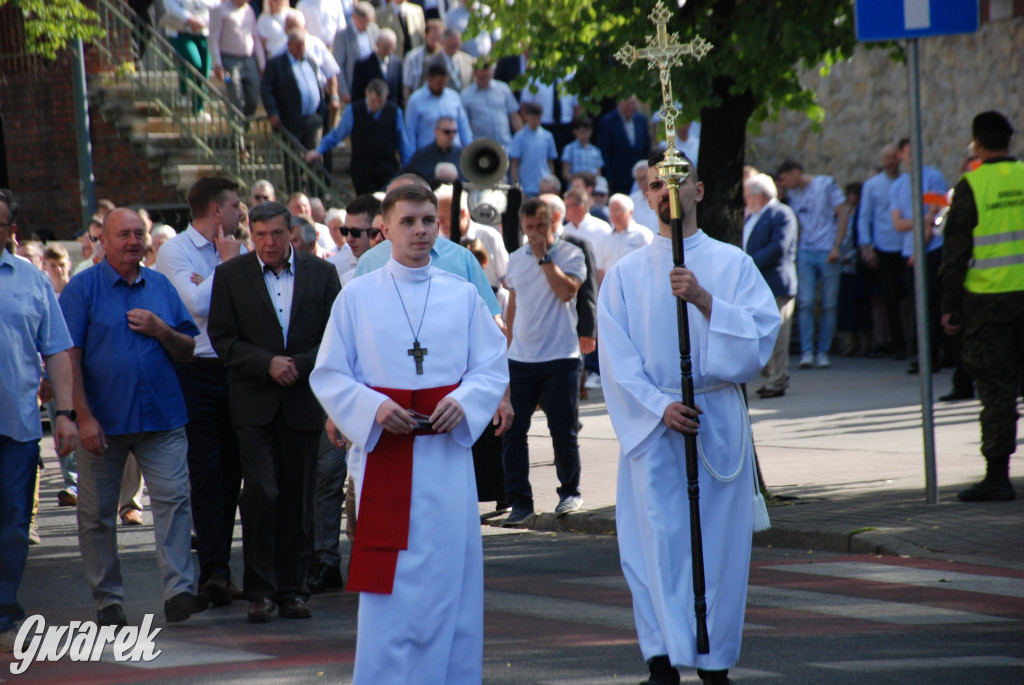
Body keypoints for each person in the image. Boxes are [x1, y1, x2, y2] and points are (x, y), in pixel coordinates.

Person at [309, 183, 508, 684]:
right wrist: (373, 408)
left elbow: (491, 367)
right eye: (408, 222)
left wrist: (462, 402)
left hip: (445, 463)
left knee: (448, 579)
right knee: (392, 587)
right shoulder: (357, 295)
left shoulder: (462, 294)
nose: (420, 231)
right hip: (384, 461)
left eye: (428, 222)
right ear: (385, 229)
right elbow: (329, 374)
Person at [598, 152, 779, 685]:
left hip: (715, 414)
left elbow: (759, 338)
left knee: (719, 544)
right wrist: (659, 407)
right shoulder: (626, 274)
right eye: (655, 185)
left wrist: (704, 300)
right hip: (655, 423)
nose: (664, 193)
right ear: (646, 194)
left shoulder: (731, 264)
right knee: (655, 540)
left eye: (675, 183)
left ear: (698, 192)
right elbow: (616, 357)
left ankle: (714, 657)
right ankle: (661, 657)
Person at [60, 209, 209, 626]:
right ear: (102, 242)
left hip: (161, 417)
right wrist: (82, 417)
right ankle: (108, 600)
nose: (133, 241)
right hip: (104, 423)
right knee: (96, 516)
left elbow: (187, 348)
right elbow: (69, 358)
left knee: (174, 503)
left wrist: (162, 330)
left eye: (138, 233)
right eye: (123, 234)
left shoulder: (160, 285)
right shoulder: (82, 289)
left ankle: (179, 592)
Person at [208, 201, 341, 622]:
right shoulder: (231, 276)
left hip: (302, 401)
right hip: (254, 403)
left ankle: (293, 590)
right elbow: (223, 338)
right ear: (251, 234)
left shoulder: (321, 273)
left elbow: (339, 335)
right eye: (260, 234)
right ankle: (259, 590)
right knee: (262, 492)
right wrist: (266, 364)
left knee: (299, 497)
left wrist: (298, 365)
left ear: (293, 234)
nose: (268, 242)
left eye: (277, 234)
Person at [155, 177, 245, 607]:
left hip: (236, 370)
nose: (240, 215)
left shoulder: (236, 248)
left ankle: (220, 570)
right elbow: (195, 305)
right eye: (235, 207)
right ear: (215, 210)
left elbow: (246, 306)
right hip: (194, 370)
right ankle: (213, 569)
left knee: (233, 474)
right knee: (206, 473)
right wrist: (226, 268)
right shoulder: (175, 250)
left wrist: (223, 267)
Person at [0, 189, 78, 650]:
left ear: (11, 229)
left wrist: (65, 414)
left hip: (18, 425)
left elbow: (58, 351)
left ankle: (5, 605)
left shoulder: (31, 280)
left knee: (12, 521)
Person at [939, 110, 1024, 503]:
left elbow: (955, 255)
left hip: (989, 307)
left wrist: (949, 308)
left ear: (977, 143)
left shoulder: (972, 186)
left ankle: (997, 476)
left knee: (997, 390)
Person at [501, 197, 586, 526]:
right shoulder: (514, 259)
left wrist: (544, 258)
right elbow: (514, 301)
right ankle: (520, 502)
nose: (534, 233)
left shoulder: (571, 254)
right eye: (528, 228)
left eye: (540, 226)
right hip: (522, 357)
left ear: (552, 223)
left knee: (562, 431)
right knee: (513, 432)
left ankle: (569, 492)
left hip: (560, 357)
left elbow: (566, 292)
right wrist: (508, 344)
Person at [776, 158, 848, 369]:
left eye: (784, 178)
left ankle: (823, 351)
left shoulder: (826, 184)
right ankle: (808, 351)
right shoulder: (792, 194)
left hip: (828, 250)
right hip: (806, 251)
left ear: (796, 172)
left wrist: (837, 246)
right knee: (806, 302)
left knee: (829, 304)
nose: (784, 183)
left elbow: (843, 215)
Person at [742, 172, 798, 398]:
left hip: (776, 284)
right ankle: (772, 377)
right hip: (758, 284)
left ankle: (777, 380)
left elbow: (778, 248)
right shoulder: (754, 216)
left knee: (778, 337)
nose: (746, 200)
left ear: (759, 196)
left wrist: (747, 263)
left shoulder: (781, 213)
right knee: (763, 336)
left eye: (747, 196)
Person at [308, 78, 414, 195]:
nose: (376, 105)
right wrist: (319, 150)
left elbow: (403, 144)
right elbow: (336, 135)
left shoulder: (394, 112)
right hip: (362, 171)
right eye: (373, 101)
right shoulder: (353, 110)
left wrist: (408, 171)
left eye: (380, 102)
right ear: (366, 94)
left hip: (387, 169)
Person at [261, 28, 329, 191]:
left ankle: (316, 195)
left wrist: (322, 111)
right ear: (289, 45)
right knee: (293, 164)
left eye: (303, 44)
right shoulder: (276, 64)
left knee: (316, 160)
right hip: (290, 121)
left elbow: (319, 86)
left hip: (313, 120)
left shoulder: (311, 62)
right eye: (297, 45)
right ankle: (295, 194)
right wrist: (273, 112)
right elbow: (266, 89)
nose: (300, 48)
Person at [857, 144, 905, 358]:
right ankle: (898, 344)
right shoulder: (872, 185)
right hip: (885, 246)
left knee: (912, 296)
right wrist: (866, 246)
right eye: (886, 157)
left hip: (908, 244)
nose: (890, 161)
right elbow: (864, 216)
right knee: (890, 297)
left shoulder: (907, 182)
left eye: (894, 157)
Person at [162, 0, 220, 118]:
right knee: (194, 62)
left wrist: (203, 22)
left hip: (203, 31)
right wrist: (190, 20)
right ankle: (183, 92)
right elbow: (171, 7)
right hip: (179, 30)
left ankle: (199, 107)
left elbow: (216, 4)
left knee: (204, 70)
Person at [210, 0, 265, 122]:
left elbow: (255, 37)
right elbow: (213, 38)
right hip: (229, 62)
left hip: (249, 60)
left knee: (253, 97)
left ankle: (245, 125)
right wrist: (217, 64)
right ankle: (237, 135)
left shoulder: (249, 10)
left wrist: (262, 64)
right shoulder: (220, 10)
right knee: (236, 97)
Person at [405, 60, 473, 150]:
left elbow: (463, 127)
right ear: (429, 80)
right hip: (427, 154)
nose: (441, 86)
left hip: (454, 152)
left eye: (444, 83)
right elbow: (410, 132)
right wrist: (412, 160)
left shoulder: (454, 97)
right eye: (438, 83)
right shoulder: (416, 100)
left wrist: (470, 150)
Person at [595, 96, 651, 196]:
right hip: (618, 178)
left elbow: (646, 147)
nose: (631, 108)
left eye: (633, 105)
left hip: (641, 177)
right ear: (619, 104)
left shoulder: (641, 120)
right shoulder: (607, 121)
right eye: (628, 104)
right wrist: (610, 178)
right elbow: (604, 151)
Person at [460, 59, 521, 150]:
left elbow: (514, 116)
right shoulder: (466, 95)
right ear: (475, 73)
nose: (485, 81)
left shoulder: (503, 89)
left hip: (505, 147)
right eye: (481, 78)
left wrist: (521, 139)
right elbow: (464, 123)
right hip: (481, 149)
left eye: (487, 77)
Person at [597, 193, 654, 284]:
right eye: (612, 211)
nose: (614, 215)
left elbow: (652, 263)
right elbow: (600, 269)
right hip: (612, 289)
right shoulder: (605, 238)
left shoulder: (643, 235)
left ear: (630, 212)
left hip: (637, 287)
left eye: (618, 211)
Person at [509, 103, 557, 198]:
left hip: (544, 186)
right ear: (527, 117)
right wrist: (517, 186)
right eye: (533, 118)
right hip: (526, 187)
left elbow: (550, 162)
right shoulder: (519, 137)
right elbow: (514, 164)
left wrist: (552, 184)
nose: (536, 121)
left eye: (538, 118)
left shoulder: (547, 136)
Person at [334, 1, 378, 104]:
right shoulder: (342, 36)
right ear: (354, 17)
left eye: (368, 22)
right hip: (353, 86)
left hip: (371, 86)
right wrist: (344, 91)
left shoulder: (374, 30)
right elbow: (339, 66)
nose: (366, 26)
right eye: (363, 22)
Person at [350, 28, 403, 106]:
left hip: (391, 112)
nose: (388, 51)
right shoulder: (363, 64)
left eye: (391, 48)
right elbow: (357, 94)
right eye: (385, 48)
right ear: (377, 44)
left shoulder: (397, 63)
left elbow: (399, 93)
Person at [404, 116, 463, 181]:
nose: (451, 136)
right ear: (436, 131)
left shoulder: (461, 155)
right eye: (447, 132)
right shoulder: (422, 156)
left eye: (454, 132)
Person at [401, 18, 443, 102]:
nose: (436, 42)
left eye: (438, 38)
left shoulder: (444, 57)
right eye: (432, 37)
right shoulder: (412, 57)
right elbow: (406, 86)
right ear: (426, 35)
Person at [560, 117, 603, 184]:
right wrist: (578, 183)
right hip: (575, 187)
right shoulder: (569, 149)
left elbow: (598, 175)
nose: (585, 135)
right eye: (582, 132)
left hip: (591, 189)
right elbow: (565, 174)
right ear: (575, 131)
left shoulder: (596, 151)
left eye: (588, 131)